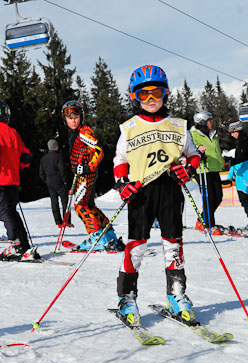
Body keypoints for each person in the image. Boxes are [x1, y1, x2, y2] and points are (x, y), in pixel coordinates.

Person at [113, 64, 202, 327]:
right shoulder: (129, 127)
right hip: (140, 192)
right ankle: (127, 298)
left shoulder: (178, 125)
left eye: (157, 92)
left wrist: (189, 170)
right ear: (134, 97)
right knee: (137, 245)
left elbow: (194, 155)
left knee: (173, 245)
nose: (151, 99)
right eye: (144, 94)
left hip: (170, 190)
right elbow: (120, 159)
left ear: (166, 94)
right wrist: (121, 184)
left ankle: (176, 295)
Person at [61, 100, 124, 252]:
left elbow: (98, 150)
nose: (73, 120)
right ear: (65, 119)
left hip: (86, 175)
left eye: (76, 116)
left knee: (80, 207)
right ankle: (108, 235)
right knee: (89, 206)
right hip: (83, 174)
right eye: (69, 117)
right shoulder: (74, 133)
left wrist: (88, 167)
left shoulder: (84, 132)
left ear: (81, 116)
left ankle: (96, 237)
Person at [0, 100, 39, 261]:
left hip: (1, 178)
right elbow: (26, 157)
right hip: (13, 181)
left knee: (4, 211)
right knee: (11, 211)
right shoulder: (13, 132)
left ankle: (16, 244)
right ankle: (23, 244)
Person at [190, 111, 224, 235]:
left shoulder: (212, 134)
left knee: (218, 197)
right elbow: (190, 148)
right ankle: (210, 225)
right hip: (202, 169)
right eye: (209, 121)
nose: (211, 123)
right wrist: (198, 150)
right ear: (202, 122)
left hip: (214, 167)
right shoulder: (193, 134)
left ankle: (202, 220)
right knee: (209, 197)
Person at [39, 139, 72, 228]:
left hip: (50, 183)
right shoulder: (58, 157)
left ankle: (58, 222)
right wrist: (65, 180)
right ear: (55, 146)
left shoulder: (43, 159)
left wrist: (46, 181)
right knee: (65, 202)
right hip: (60, 182)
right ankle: (66, 220)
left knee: (54, 202)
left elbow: (41, 173)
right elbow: (62, 170)